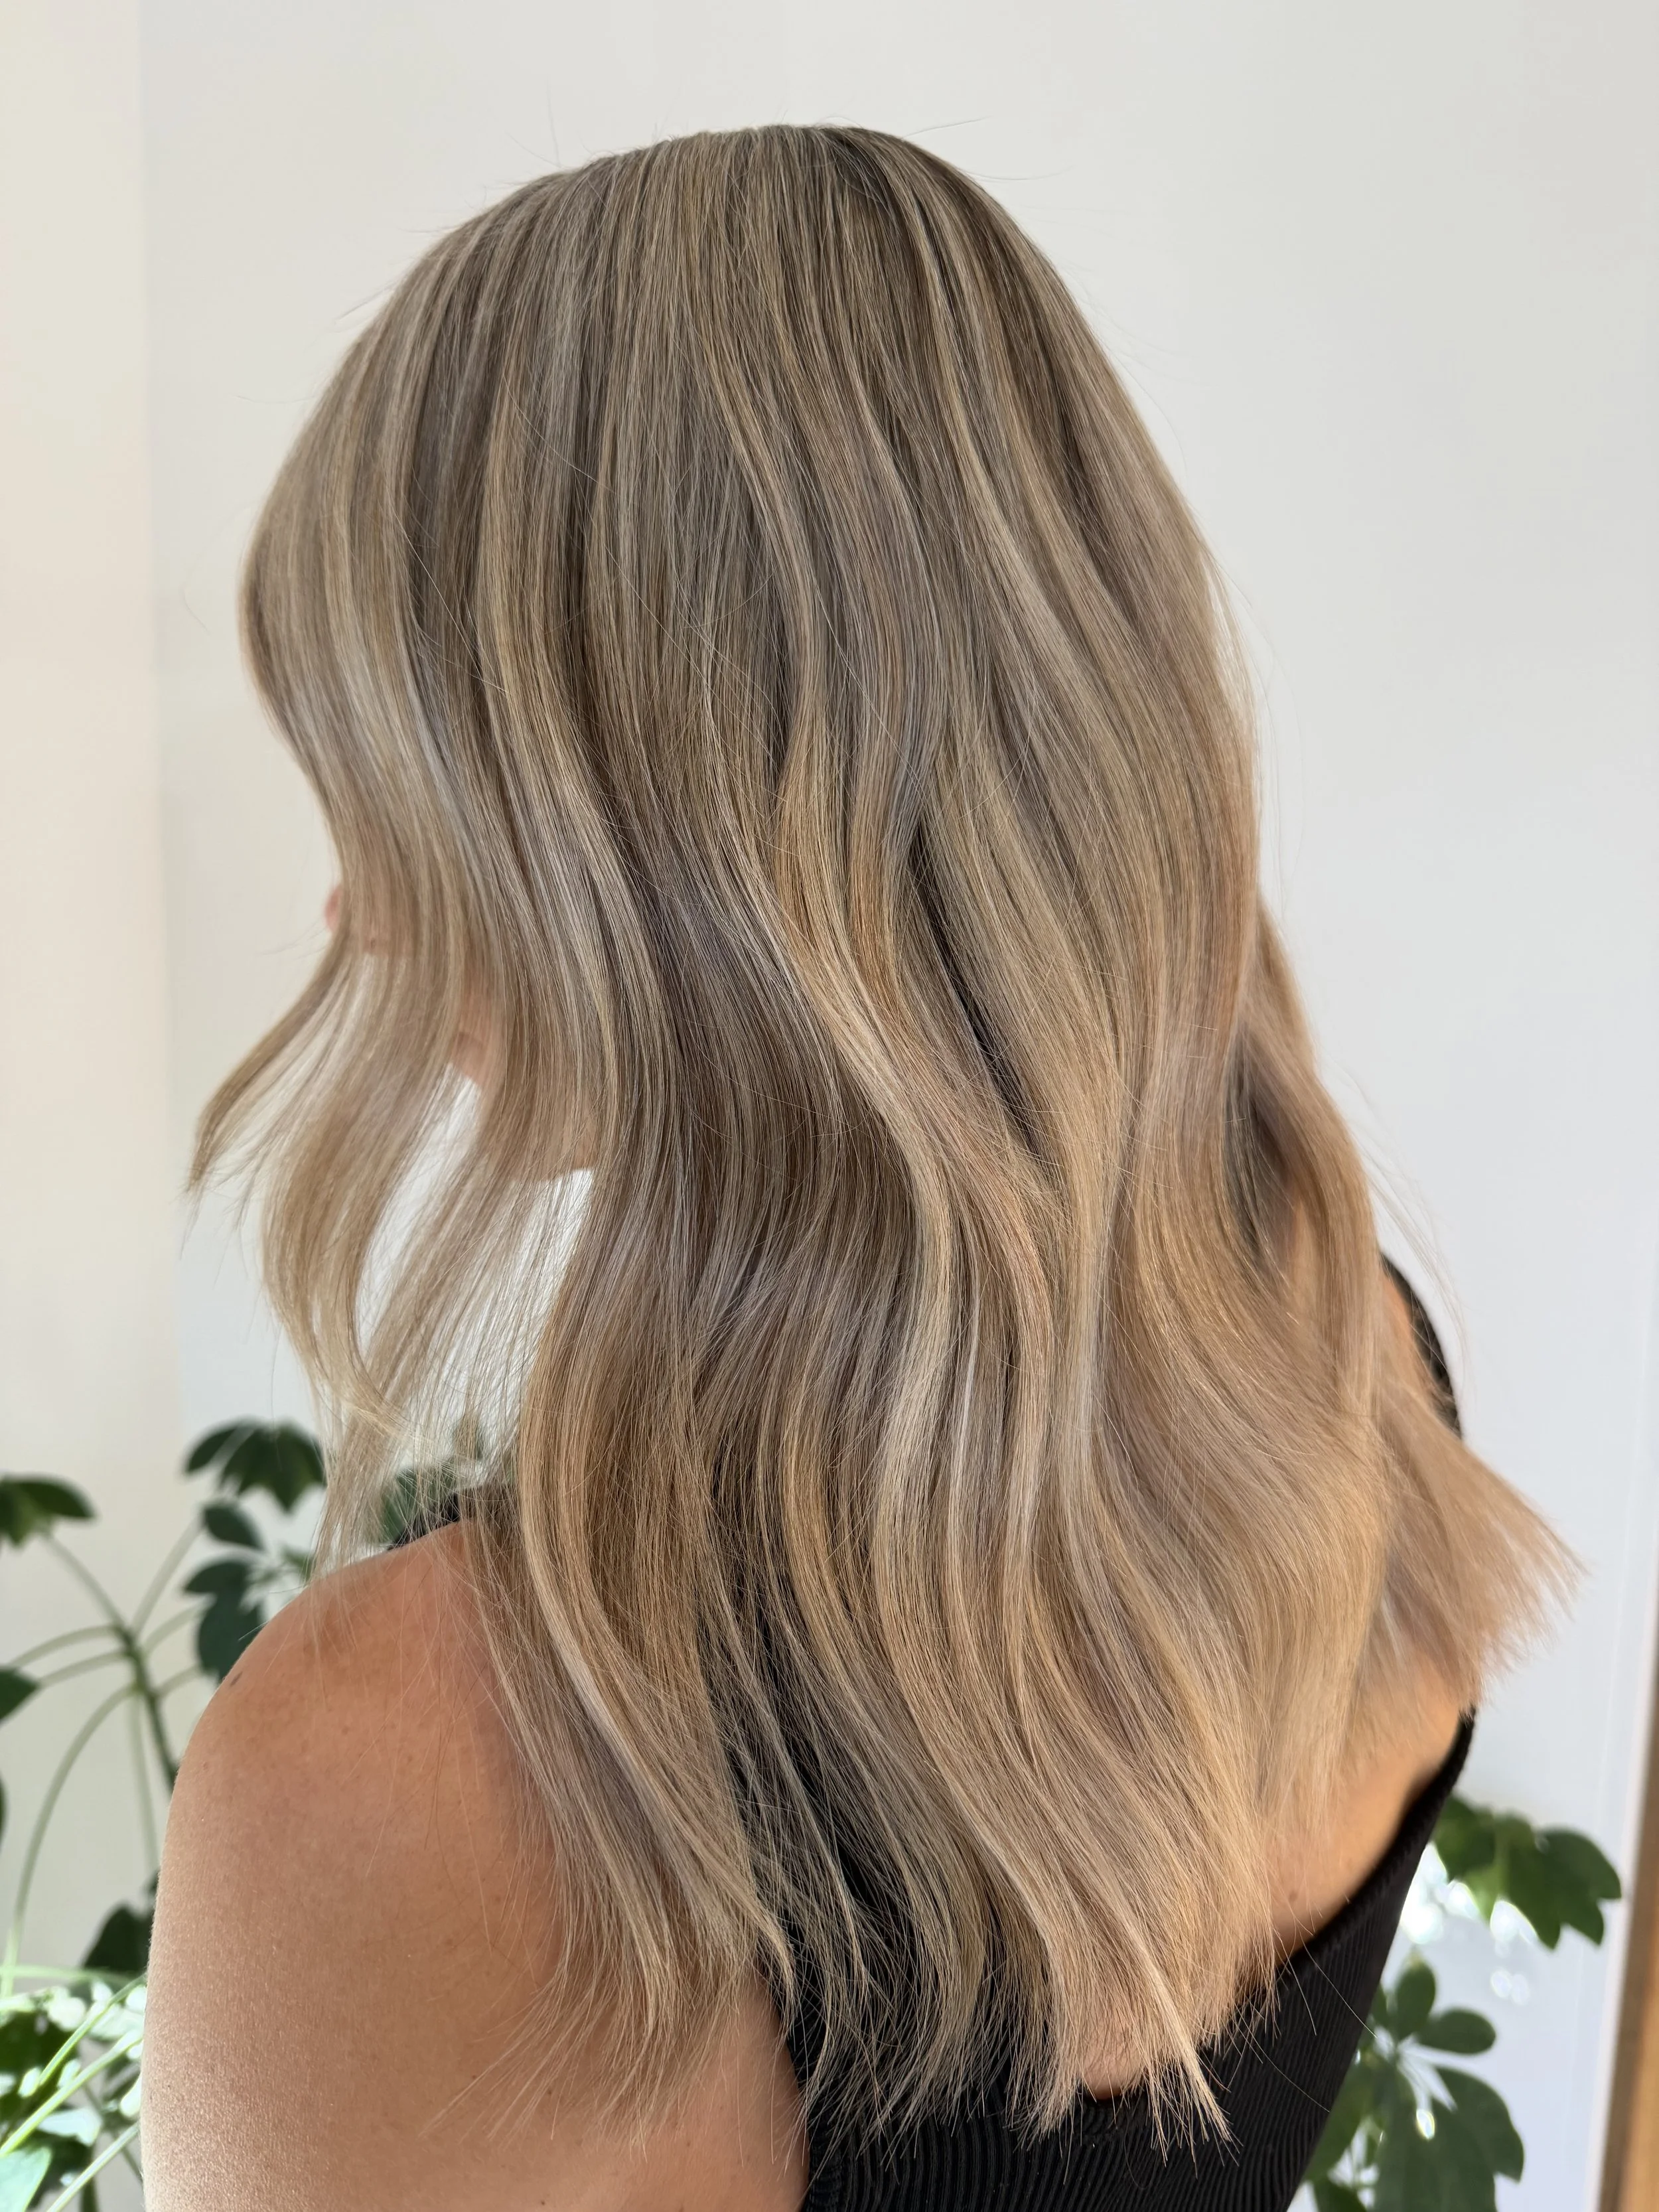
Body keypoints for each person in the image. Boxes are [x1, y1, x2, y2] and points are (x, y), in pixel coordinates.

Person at [140, 124, 1572, 2211]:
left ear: (644, 849)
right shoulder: (1340, 1350)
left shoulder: (436, 1775)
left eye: (400, 794)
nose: (356, 910)